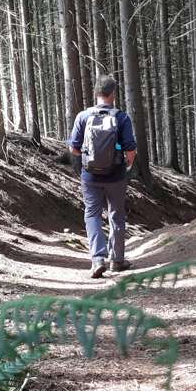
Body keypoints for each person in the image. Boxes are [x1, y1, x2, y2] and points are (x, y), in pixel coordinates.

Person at [68, 75, 138, 278]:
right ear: (113, 94)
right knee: (116, 214)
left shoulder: (83, 116)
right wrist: (128, 164)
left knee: (92, 214)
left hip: (90, 177)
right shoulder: (121, 117)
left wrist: (87, 159)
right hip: (116, 175)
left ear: (96, 93)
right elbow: (130, 149)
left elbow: (73, 148)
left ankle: (97, 259)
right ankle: (117, 260)